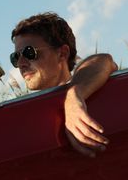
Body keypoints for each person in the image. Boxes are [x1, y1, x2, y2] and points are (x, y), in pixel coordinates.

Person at [10, 12, 117, 158]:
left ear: (62, 53)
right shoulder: (25, 112)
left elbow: (102, 60)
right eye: (15, 57)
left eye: (29, 53)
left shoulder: (87, 87)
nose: (21, 64)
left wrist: (74, 95)